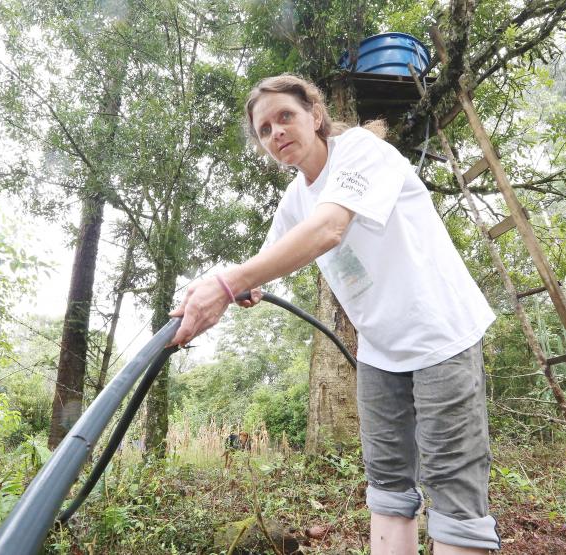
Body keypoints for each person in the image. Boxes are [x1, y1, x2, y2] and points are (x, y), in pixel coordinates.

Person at [169, 74, 500, 554]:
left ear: (316, 116)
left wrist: (229, 283)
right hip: (379, 351)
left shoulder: (360, 150)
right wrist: (215, 296)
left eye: (286, 116)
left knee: (451, 484)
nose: (276, 132)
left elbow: (327, 230)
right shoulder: (293, 200)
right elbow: (261, 268)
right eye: (265, 129)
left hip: (439, 335)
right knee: (386, 485)